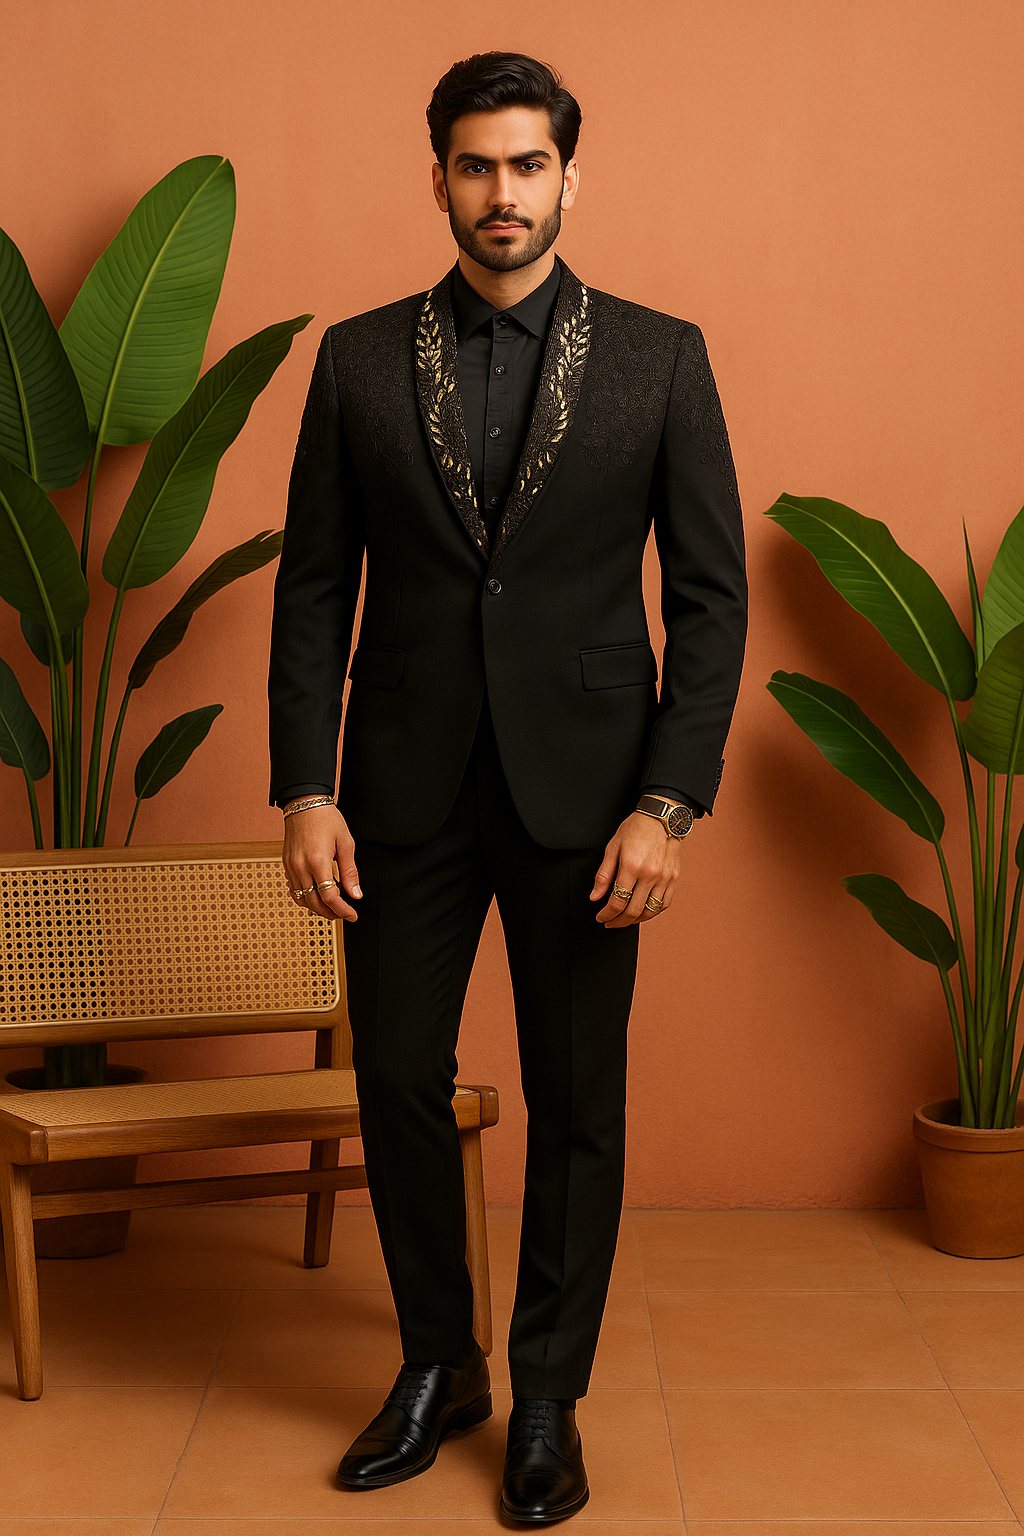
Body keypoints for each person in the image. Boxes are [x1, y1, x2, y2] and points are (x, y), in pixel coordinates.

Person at [268, 51, 746, 1524]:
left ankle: (547, 1397)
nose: (501, 194)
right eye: (475, 166)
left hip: (591, 802)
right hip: (399, 793)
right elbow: (311, 594)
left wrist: (667, 805)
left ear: (568, 179)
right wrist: (304, 787)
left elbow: (713, 602)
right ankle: (439, 1365)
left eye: (526, 165)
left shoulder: (663, 358)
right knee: (398, 1075)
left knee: (574, 1098)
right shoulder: (354, 360)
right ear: (439, 180)